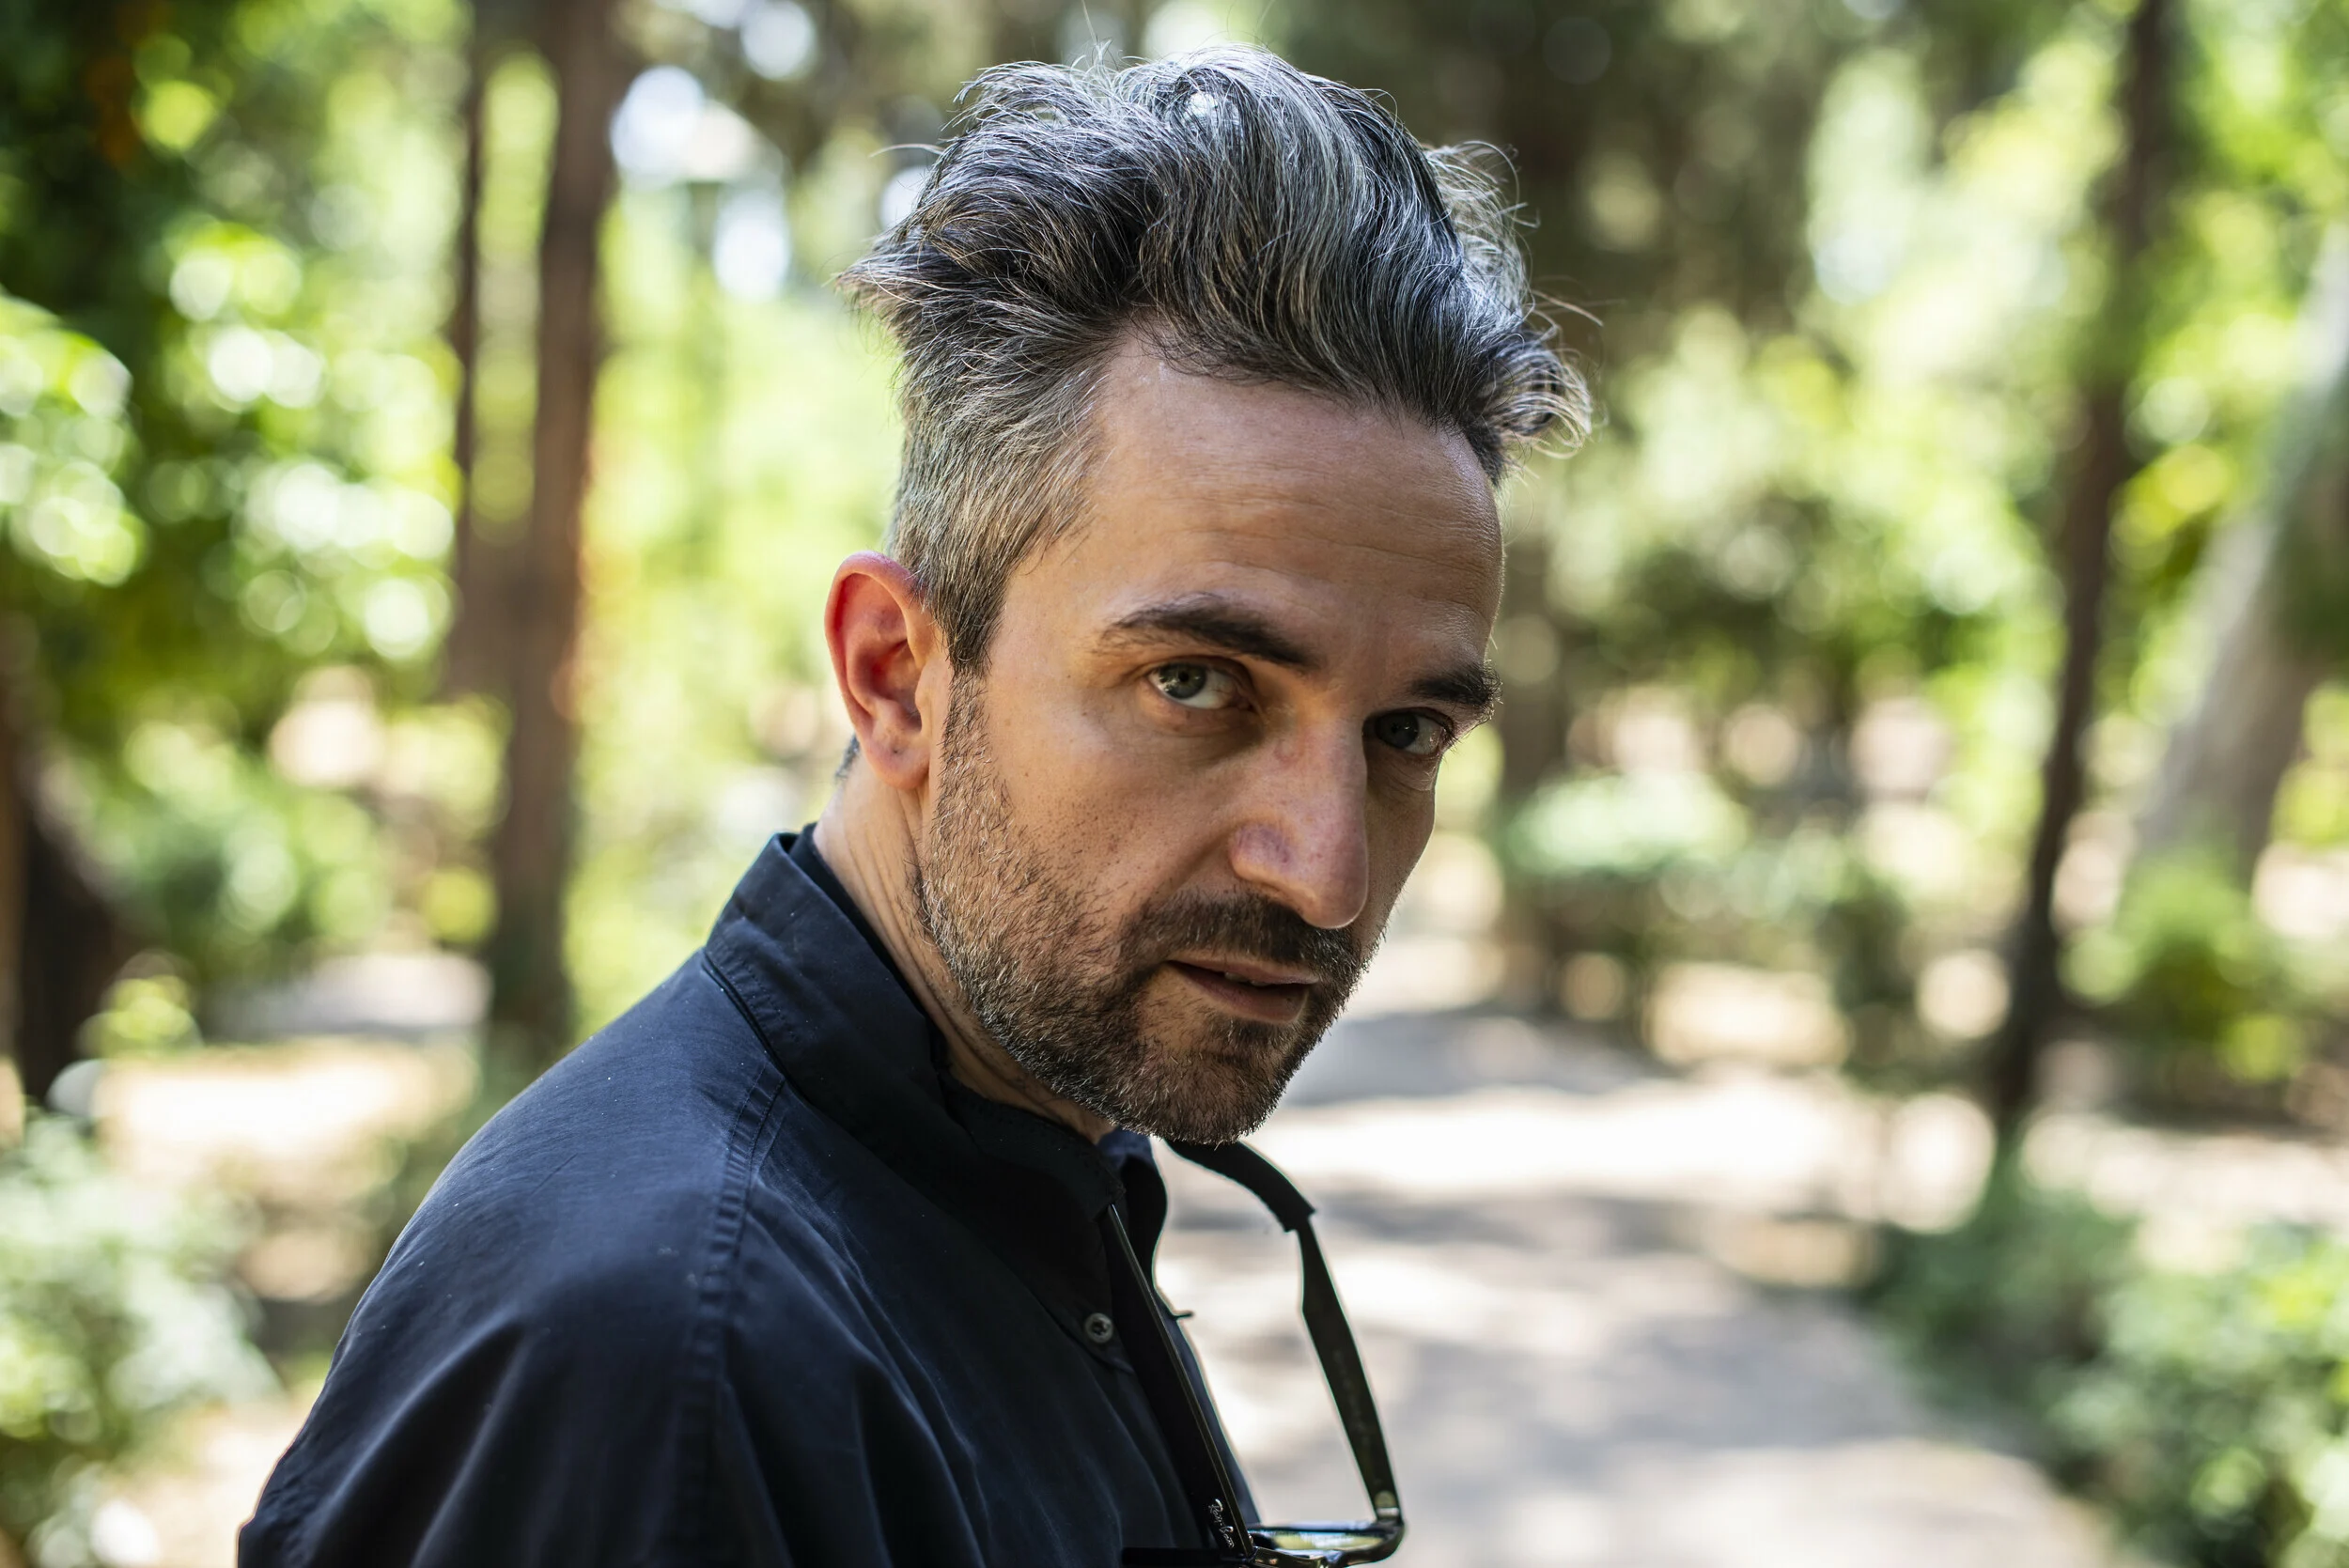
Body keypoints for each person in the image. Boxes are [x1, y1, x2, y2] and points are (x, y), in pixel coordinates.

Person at [241, 42, 1582, 1568]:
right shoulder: (666, 1364)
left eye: (1406, 731)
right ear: (897, 676)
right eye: (1197, 685)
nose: (1327, 873)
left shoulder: (1030, 1147)